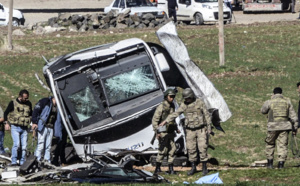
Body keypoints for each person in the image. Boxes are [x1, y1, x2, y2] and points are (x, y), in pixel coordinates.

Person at [160, 88, 212, 176]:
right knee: (191, 149)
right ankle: (193, 167)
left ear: (192, 96)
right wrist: (166, 120)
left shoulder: (200, 102)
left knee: (202, 147)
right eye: (185, 98)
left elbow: (206, 115)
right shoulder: (184, 105)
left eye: (188, 98)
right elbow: (176, 113)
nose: (187, 100)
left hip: (201, 129)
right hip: (190, 130)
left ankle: (204, 167)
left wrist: (209, 127)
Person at [261, 87, 298, 169]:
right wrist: (295, 127)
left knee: (270, 144)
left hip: (272, 127)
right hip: (284, 127)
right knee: (282, 145)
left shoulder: (270, 101)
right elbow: (293, 116)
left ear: (273, 93)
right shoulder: (287, 102)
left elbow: (263, 111)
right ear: (281, 93)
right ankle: (281, 164)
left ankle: (270, 163)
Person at [152, 89, 179, 175]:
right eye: (170, 96)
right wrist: (157, 132)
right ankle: (157, 168)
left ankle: (171, 168)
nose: (172, 98)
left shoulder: (172, 106)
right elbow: (155, 121)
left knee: (172, 149)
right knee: (163, 150)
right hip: (163, 132)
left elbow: (172, 119)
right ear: (166, 96)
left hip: (170, 131)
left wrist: (176, 128)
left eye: (173, 97)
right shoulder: (161, 107)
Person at [3, 89, 32, 166]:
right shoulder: (13, 103)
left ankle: (22, 161)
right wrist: (6, 123)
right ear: (20, 96)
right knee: (16, 144)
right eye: (25, 98)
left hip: (24, 128)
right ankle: (14, 161)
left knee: (24, 146)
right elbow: (5, 113)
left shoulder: (29, 104)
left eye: (27, 98)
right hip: (15, 127)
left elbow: (30, 114)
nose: (26, 99)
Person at [32, 97, 62, 164]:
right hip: (43, 126)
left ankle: (47, 160)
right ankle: (37, 160)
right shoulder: (45, 101)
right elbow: (36, 110)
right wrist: (34, 122)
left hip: (50, 127)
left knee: (48, 145)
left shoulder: (58, 107)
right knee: (40, 144)